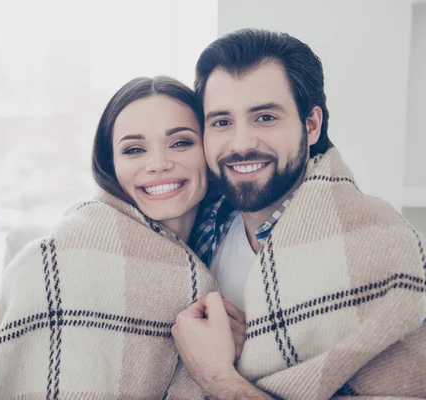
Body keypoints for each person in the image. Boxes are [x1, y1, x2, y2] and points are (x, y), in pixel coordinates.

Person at [172, 29, 426, 400]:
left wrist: (217, 376)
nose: (241, 143)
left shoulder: (379, 245)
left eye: (265, 118)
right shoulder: (202, 224)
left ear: (311, 125)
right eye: (222, 122)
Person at [0, 76, 239, 399]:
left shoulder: (229, 242)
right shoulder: (71, 252)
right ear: (110, 165)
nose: (158, 164)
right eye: (134, 149)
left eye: (180, 143)